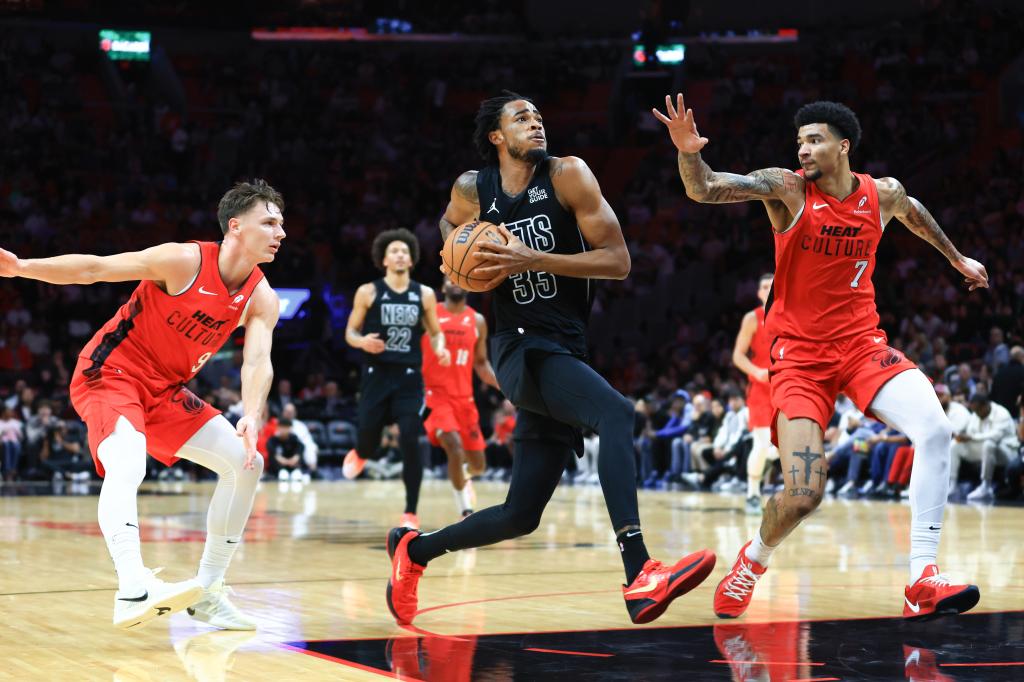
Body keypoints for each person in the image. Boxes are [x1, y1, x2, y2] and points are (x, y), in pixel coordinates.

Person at [384, 90, 715, 628]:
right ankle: (639, 573)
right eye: (521, 118)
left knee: (520, 515)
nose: (536, 123)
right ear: (496, 136)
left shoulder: (568, 175)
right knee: (616, 413)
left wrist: (531, 257)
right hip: (518, 345)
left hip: (566, 343)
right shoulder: (474, 187)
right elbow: (449, 226)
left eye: (539, 115)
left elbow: (619, 261)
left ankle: (414, 551)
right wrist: (460, 261)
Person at [654, 94, 987, 620]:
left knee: (936, 429)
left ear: (843, 146)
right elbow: (706, 189)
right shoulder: (787, 189)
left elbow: (915, 213)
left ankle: (921, 579)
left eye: (815, 140)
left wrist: (957, 258)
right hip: (800, 358)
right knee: (805, 494)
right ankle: (753, 560)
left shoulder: (884, 194)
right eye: (800, 141)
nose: (804, 150)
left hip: (861, 346)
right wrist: (689, 152)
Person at [0, 179, 283, 630]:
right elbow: (95, 268)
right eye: (269, 222)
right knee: (129, 462)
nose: (280, 232)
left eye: (281, 224)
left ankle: (208, 591)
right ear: (235, 227)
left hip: (164, 391)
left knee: (246, 462)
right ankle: (132, 588)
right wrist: (21, 268)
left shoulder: (262, 297)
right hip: (110, 372)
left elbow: (257, 361)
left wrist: (250, 414)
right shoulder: (184, 260)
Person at [342, 228, 451, 530]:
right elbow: (350, 332)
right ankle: (362, 453)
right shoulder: (368, 291)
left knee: (410, 438)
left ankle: (410, 511)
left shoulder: (425, 294)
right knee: (368, 437)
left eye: (405, 251)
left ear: (412, 258)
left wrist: (441, 349)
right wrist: (362, 341)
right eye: (394, 251)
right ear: (384, 259)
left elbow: (436, 333)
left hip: (408, 378)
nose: (400, 254)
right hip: (376, 376)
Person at [421, 278, 501, 518]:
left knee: (479, 465)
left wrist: (507, 387)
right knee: (453, 446)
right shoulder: (428, 315)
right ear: (443, 287)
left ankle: (465, 476)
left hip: (465, 401)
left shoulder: (477, 320)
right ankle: (465, 509)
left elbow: (481, 364)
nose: (455, 283)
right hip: (435, 397)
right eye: (450, 280)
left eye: (459, 279)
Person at [732, 272, 779, 515]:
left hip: (785, 385)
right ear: (759, 292)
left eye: (772, 285)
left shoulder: (790, 316)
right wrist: (757, 372)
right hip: (760, 388)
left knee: (781, 446)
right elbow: (738, 356)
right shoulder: (752, 318)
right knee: (761, 444)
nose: (768, 289)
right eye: (763, 286)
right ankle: (752, 493)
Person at [951, 391, 1020, 501]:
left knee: (989, 444)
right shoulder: (975, 414)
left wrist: (971, 437)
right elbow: (971, 433)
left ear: (985, 405)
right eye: (974, 411)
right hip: (984, 450)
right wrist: (963, 437)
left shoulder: (1002, 413)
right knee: (955, 445)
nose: (976, 414)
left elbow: (995, 436)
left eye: (978, 410)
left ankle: (985, 486)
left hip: (1006, 453)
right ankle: (952, 485)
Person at [266, 417, 307, 483]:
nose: (284, 430)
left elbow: (300, 449)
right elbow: (274, 455)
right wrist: (284, 461)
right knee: (283, 475)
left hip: (293, 467)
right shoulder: (273, 440)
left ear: (290, 428)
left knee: (296, 475)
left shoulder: (294, 439)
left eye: (286, 427)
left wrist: (295, 458)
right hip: (278, 469)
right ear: (278, 427)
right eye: (282, 427)